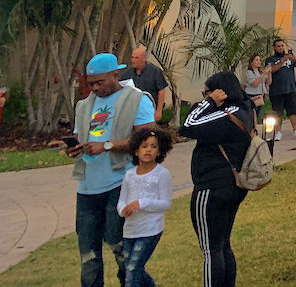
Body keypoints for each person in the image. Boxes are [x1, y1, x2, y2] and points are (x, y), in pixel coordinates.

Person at [68, 52, 156, 287]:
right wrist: (76, 147)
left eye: (100, 82)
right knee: (89, 258)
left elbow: (147, 140)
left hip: (120, 185)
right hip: (87, 188)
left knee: (120, 250)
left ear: (116, 74)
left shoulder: (137, 99)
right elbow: (81, 136)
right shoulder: (84, 105)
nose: (95, 88)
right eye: (91, 83)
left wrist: (107, 146)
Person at [180, 71, 257, 287]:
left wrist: (208, 102)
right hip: (233, 185)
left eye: (207, 92)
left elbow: (188, 125)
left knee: (210, 249)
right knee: (223, 244)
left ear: (220, 93)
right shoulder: (246, 110)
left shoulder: (227, 116)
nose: (204, 96)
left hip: (212, 188)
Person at [117, 126, 174, 287]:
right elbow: (122, 201)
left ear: (160, 151)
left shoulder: (161, 174)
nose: (148, 150)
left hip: (150, 230)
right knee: (131, 268)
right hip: (130, 231)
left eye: (153, 146)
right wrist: (123, 210)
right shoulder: (129, 175)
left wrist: (141, 203)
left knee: (133, 271)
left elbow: (165, 203)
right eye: (144, 146)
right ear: (136, 150)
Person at [265, 38, 296, 139]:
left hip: (290, 89)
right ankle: (278, 132)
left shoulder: (290, 58)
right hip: (276, 91)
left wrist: (294, 59)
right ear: (274, 48)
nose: (281, 48)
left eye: (282, 46)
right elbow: (272, 70)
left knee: (293, 111)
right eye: (278, 46)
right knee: (278, 112)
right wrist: (282, 60)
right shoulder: (270, 60)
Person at [121, 47, 168, 118]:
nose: (133, 60)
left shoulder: (155, 71)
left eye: (136, 58)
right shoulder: (127, 73)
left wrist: (159, 111)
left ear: (144, 59)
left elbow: (161, 90)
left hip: (149, 110)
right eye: (132, 57)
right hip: (131, 111)